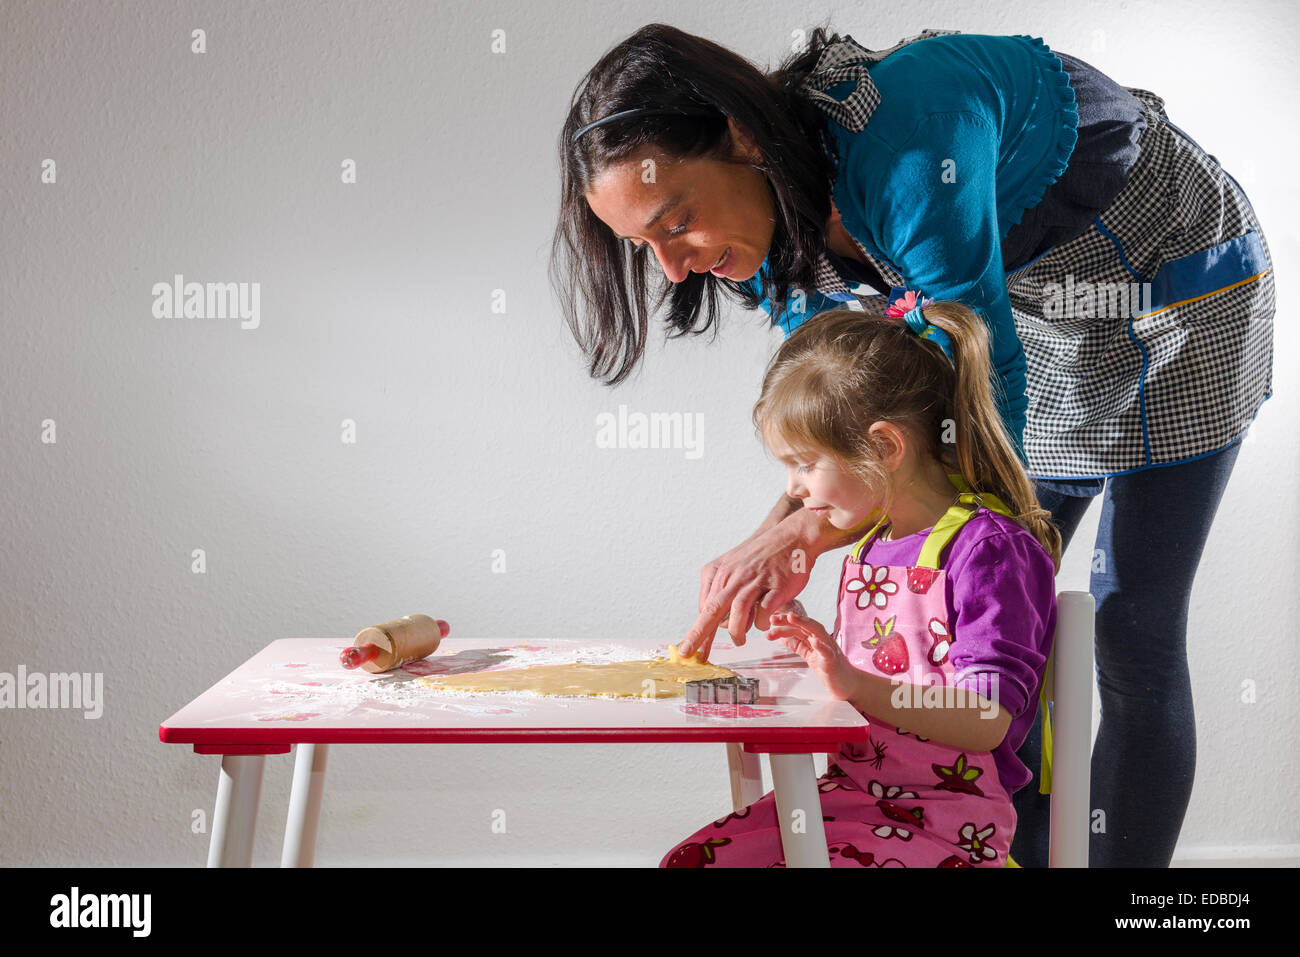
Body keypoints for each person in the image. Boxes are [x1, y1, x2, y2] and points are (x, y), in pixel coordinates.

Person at [551, 23, 1274, 866]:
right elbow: (851, 408)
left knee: (1129, 630)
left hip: (1176, 289)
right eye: (645, 246)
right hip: (1030, 318)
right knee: (1006, 644)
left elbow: (972, 389)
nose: (673, 267)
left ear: (740, 137)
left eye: (676, 221)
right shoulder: (764, 230)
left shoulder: (906, 151)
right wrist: (781, 530)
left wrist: (813, 527)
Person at [660, 296, 1058, 867]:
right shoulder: (872, 546)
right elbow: (864, 682)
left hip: (950, 819)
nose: (794, 489)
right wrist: (813, 650)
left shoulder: (990, 551)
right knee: (694, 861)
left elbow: (986, 721)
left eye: (804, 463)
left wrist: (852, 684)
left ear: (884, 447)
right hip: (855, 799)